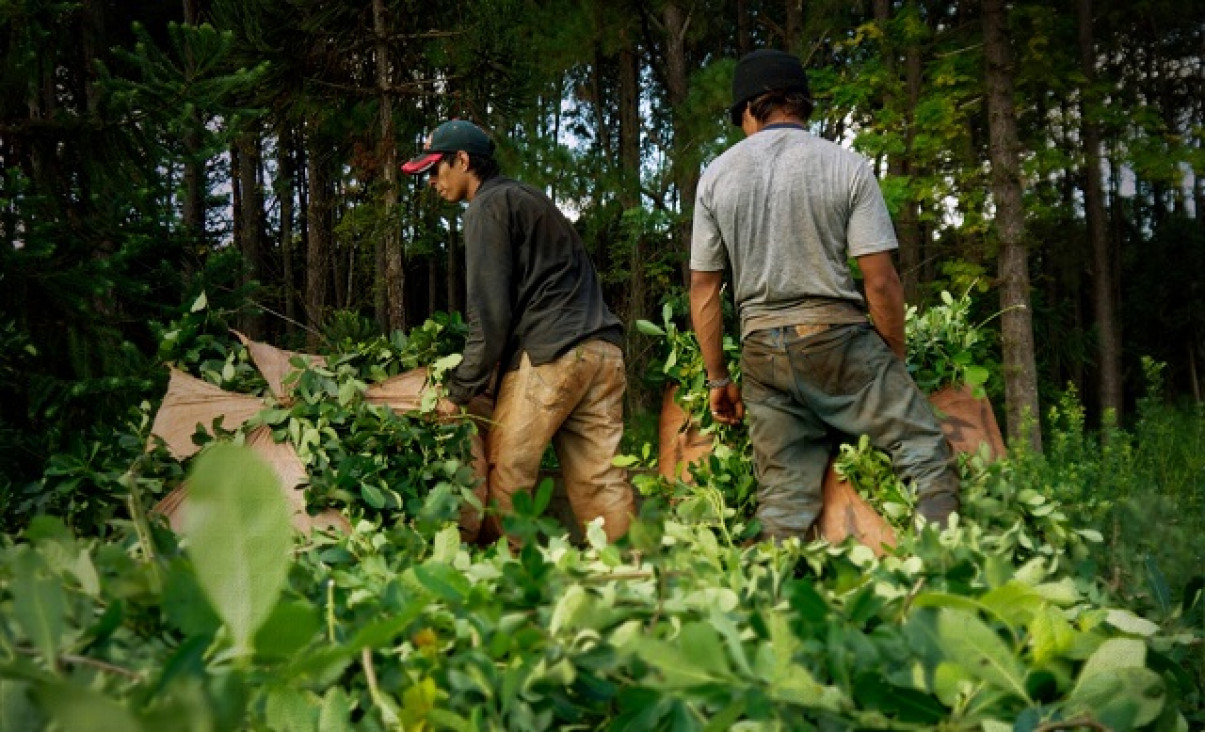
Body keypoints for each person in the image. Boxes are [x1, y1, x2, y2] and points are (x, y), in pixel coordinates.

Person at [689, 49, 960, 540]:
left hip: (762, 356)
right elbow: (880, 281)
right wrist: (890, 362)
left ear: (751, 109)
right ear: (801, 105)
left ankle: (759, 597)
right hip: (836, 341)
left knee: (783, 501)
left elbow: (704, 289)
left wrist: (716, 379)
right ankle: (940, 569)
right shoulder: (846, 166)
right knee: (924, 454)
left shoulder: (716, 176)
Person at [401, 119, 635, 543]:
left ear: (464, 160)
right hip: (603, 352)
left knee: (508, 472)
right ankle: (635, 581)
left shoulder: (487, 208)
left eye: (435, 169)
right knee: (600, 481)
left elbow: (489, 316)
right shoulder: (528, 198)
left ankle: (508, 582)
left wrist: (459, 391)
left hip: (552, 355)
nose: (431, 181)